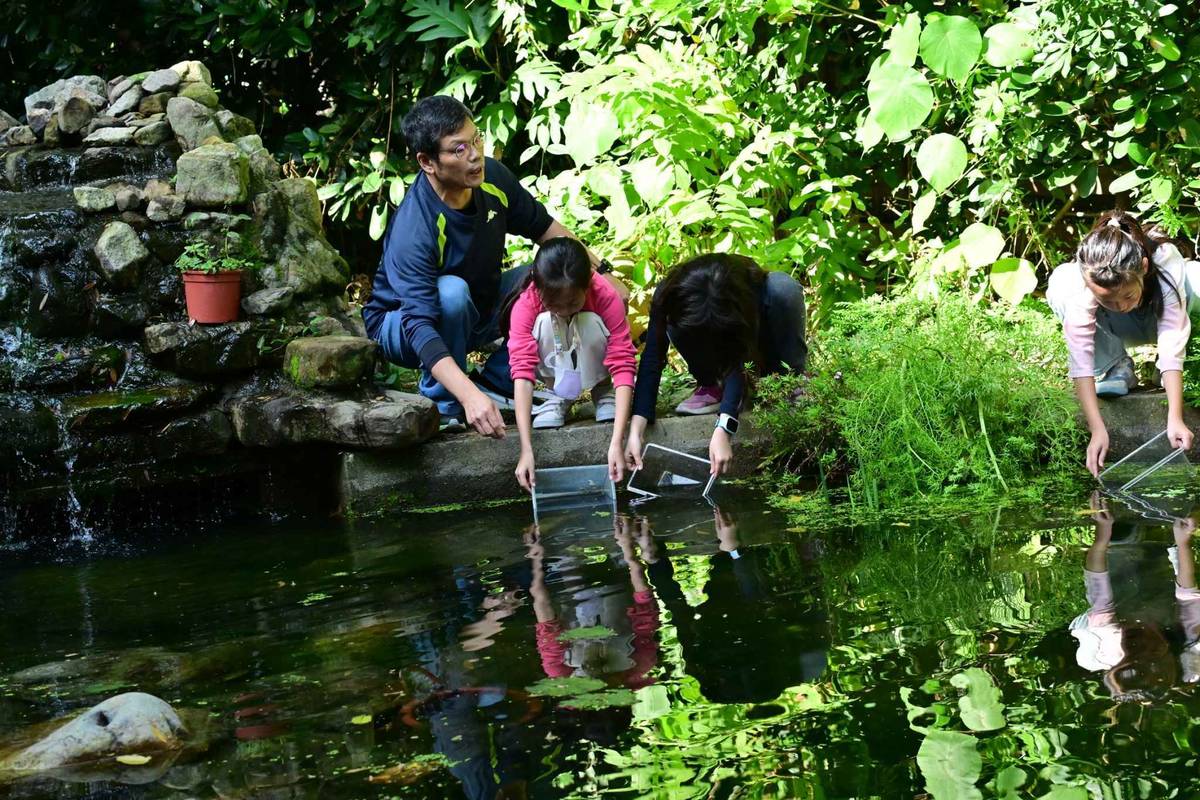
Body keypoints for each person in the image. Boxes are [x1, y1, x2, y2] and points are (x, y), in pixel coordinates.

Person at [362, 95, 625, 436]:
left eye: (476, 140)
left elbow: (546, 230)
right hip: (402, 325)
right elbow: (420, 325)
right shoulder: (416, 227)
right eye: (458, 149)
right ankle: (445, 405)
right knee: (450, 294)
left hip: (478, 306)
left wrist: (601, 275)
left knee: (548, 276)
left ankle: (497, 384)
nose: (474, 155)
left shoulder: (492, 177)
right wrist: (467, 396)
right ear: (427, 162)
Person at [1046, 210, 1198, 477]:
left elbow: (1172, 333)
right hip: (1115, 329)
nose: (1121, 306)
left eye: (1127, 296)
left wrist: (1175, 418)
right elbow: (1080, 360)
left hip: (1156, 321)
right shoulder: (1086, 278)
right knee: (1061, 282)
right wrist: (1097, 428)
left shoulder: (1163, 259)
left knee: (1196, 276)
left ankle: (1164, 371)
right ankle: (1116, 365)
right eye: (1109, 301)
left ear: (1144, 266)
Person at [625, 253, 807, 475]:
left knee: (783, 288)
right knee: (676, 323)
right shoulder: (671, 293)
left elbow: (736, 358)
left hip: (761, 334)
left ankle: (789, 381)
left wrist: (724, 428)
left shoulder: (736, 297)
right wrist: (636, 430)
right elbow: (653, 356)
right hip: (719, 340)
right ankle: (711, 383)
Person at [501, 238, 636, 490]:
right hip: (552, 366)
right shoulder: (526, 303)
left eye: (573, 302)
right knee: (544, 323)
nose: (564, 310)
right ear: (538, 289)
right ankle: (558, 394)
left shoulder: (605, 295)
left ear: (587, 285)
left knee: (587, 321)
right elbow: (522, 370)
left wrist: (617, 442)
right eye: (554, 304)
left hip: (596, 361)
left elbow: (623, 360)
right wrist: (526, 449)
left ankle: (603, 391)